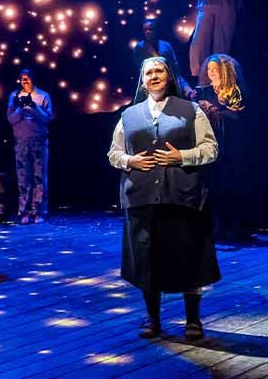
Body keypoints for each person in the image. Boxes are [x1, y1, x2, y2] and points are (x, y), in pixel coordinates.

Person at [107, 57, 220, 340]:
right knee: (147, 257)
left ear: (169, 77)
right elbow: (113, 153)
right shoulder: (129, 115)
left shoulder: (190, 110)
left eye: (159, 71)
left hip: (181, 195)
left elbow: (211, 148)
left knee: (188, 254)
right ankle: (152, 318)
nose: (154, 76)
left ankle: (193, 320)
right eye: (149, 73)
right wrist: (130, 160)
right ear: (142, 81)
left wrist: (181, 156)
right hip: (142, 197)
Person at [191, 53, 249, 240]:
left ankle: (234, 224)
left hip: (229, 141)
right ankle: (216, 223)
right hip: (210, 139)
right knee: (212, 183)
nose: (212, 72)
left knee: (229, 182)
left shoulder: (232, 91)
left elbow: (236, 115)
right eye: (209, 69)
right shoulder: (203, 90)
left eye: (215, 69)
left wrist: (216, 109)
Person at [5, 68, 53, 224]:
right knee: (23, 178)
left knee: (39, 177)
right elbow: (11, 119)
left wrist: (34, 106)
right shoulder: (14, 96)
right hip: (21, 143)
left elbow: (47, 118)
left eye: (28, 78)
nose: (25, 81)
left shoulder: (43, 96)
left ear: (33, 79)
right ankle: (24, 211)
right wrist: (20, 107)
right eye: (22, 78)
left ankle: (37, 211)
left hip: (38, 141)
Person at [134, 19, 195, 99]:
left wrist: (187, 89)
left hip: (170, 91)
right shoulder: (140, 47)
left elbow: (175, 71)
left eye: (150, 29)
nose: (148, 32)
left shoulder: (166, 45)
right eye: (145, 30)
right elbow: (141, 73)